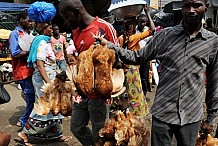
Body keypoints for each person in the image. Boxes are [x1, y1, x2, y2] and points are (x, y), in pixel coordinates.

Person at [95, 0, 218, 145]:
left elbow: (214, 82)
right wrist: (110, 46)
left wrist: (211, 118)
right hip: (163, 112)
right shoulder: (165, 36)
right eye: (187, 6)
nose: (191, 10)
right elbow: (137, 57)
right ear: (182, 8)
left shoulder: (212, 42)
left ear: (206, 7)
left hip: (191, 115)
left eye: (196, 5)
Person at [58, 0, 118, 145]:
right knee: (76, 127)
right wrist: (68, 74)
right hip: (81, 92)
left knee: (100, 130)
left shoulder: (104, 27)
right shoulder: (76, 32)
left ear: (77, 11)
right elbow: (82, 61)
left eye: (67, 17)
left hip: (100, 94)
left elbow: (119, 59)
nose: (66, 22)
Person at [17, 22, 72, 146]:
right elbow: (41, 66)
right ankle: (25, 133)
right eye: (49, 27)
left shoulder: (45, 42)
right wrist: (49, 83)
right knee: (42, 106)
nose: (52, 29)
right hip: (43, 80)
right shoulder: (42, 43)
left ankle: (57, 134)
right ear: (43, 29)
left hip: (48, 78)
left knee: (54, 105)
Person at [117, 5, 155, 116]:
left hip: (124, 71)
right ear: (133, 26)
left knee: (126, 94)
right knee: (135, 96)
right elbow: (152, 30)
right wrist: (147, 13)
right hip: (133, 71)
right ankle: (135, 117)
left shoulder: (120, 38)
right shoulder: (134, 38)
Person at [9, 12, 35, 128]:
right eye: (28, 20)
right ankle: (24, 120)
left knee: (32, 96)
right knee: (30, 97)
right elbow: (15, 53)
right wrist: (30, 52)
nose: (30, 23)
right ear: (21, 20)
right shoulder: (14, 34)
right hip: (22, 70)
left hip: (30, 69)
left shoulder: (27, 33)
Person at [136, 13, 153, 95]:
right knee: (136, 77)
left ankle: (144, 93)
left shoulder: (148, 31)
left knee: (144, 77)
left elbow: (151, 44)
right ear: (137, 22)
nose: (143, 24)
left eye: (144, 22)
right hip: (135, 57)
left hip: (145, 57)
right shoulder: (133, 31)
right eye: (141, 22)